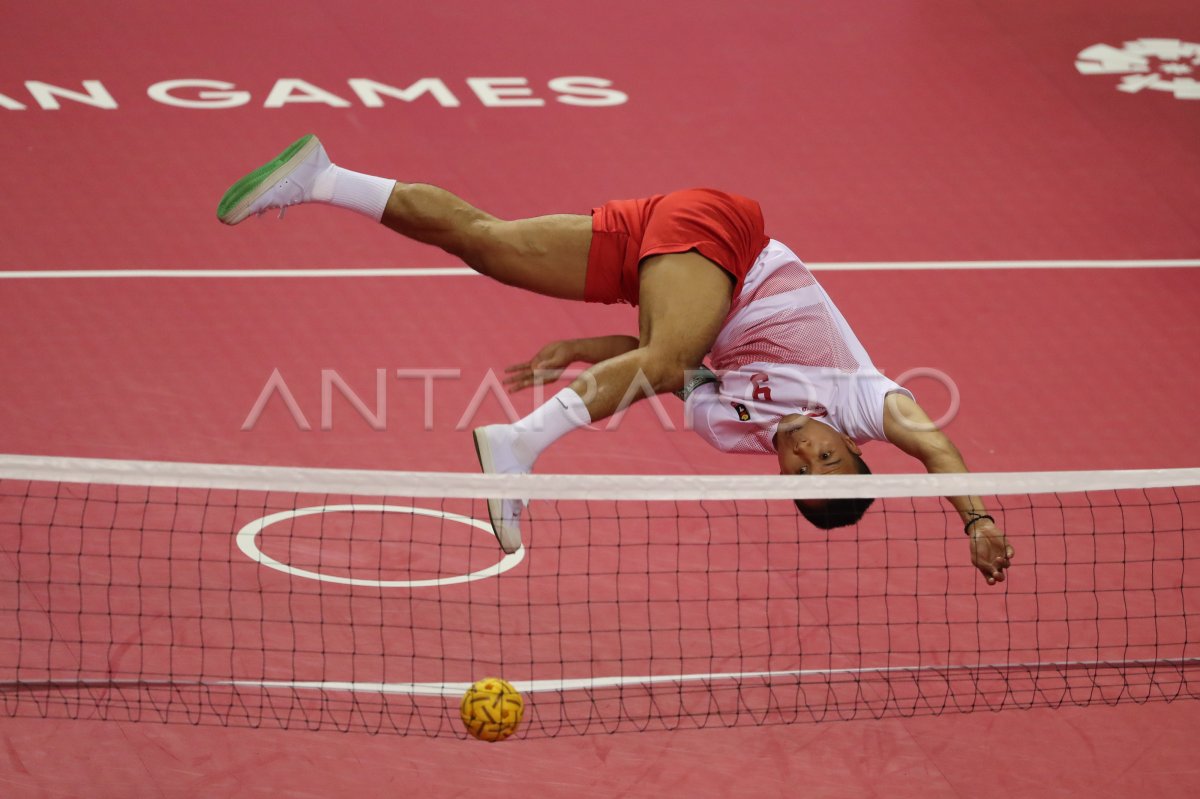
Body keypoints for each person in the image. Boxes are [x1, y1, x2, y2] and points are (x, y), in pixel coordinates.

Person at [217, 134, 1014, 585]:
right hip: (725, 237)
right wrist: (975, 518)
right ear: (853, 449)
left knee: (487, 245)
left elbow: (661, 364)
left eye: (801, 474)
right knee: (665, 356)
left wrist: (582, 350)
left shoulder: (731, 431)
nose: (805, 454)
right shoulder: (863, 398)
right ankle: (516, 447)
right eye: (828, 459)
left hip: (669, 259)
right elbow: (934, 446)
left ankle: (322, 177)